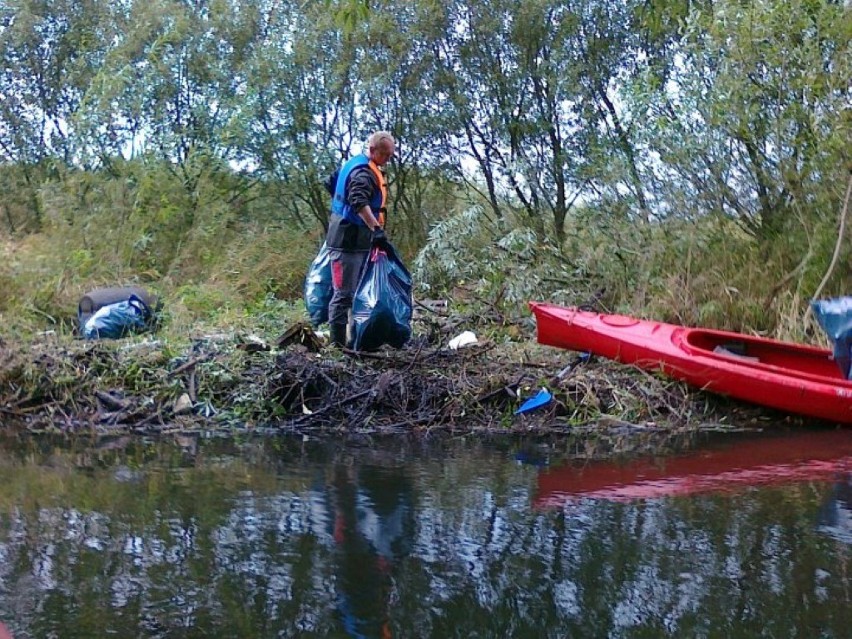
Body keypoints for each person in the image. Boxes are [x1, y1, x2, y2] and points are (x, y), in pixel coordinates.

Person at [324, 131, 396, 348]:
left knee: (355, 294)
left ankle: (355, 341)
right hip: (347, 242)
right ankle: (337, 346)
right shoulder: (363, 174)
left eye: (391, 156)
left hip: (354, 239)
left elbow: (330, 182)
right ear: (373, 150)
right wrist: (376, 229)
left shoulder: (357, 164)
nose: (388, 160)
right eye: (385, 155)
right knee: (344, 295)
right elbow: (358, 201)